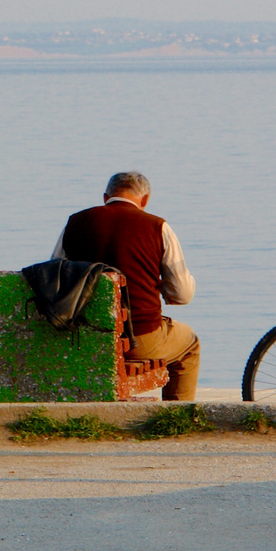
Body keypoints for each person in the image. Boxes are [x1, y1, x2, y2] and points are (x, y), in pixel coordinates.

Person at [52, 171, 200, 401]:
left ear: (105, 197)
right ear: (145, 199)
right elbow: (182, 295)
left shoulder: (74, 223)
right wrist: (159, 286)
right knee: (190, 344)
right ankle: (178, 416)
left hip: (83, 337)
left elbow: (56, 275)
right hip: (138, 339)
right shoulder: (157, 227)